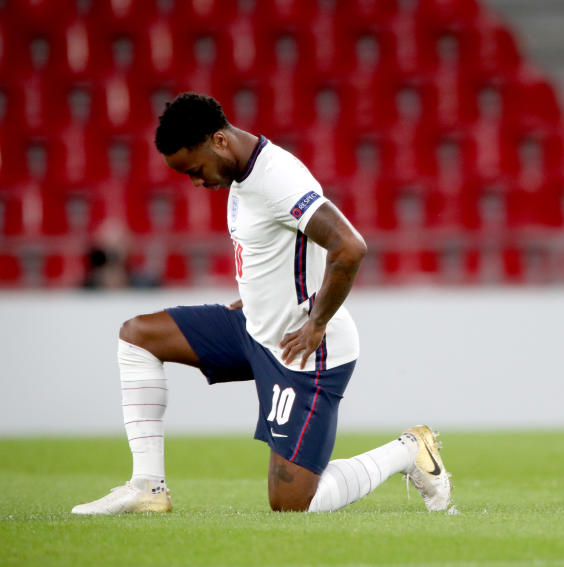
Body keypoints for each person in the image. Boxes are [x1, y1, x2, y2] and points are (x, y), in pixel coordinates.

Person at [72, 93, 452, 514]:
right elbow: (278, 251)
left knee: (292, 504)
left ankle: (409, 450)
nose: (197, 183)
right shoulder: (240, 178)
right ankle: (147, 487)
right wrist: (252, 295)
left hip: (302, 348)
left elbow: (349, 246)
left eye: (195, 171)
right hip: (253, 327)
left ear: (219, 141)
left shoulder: (278, 179)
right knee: (138, 336)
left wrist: (317, 322)